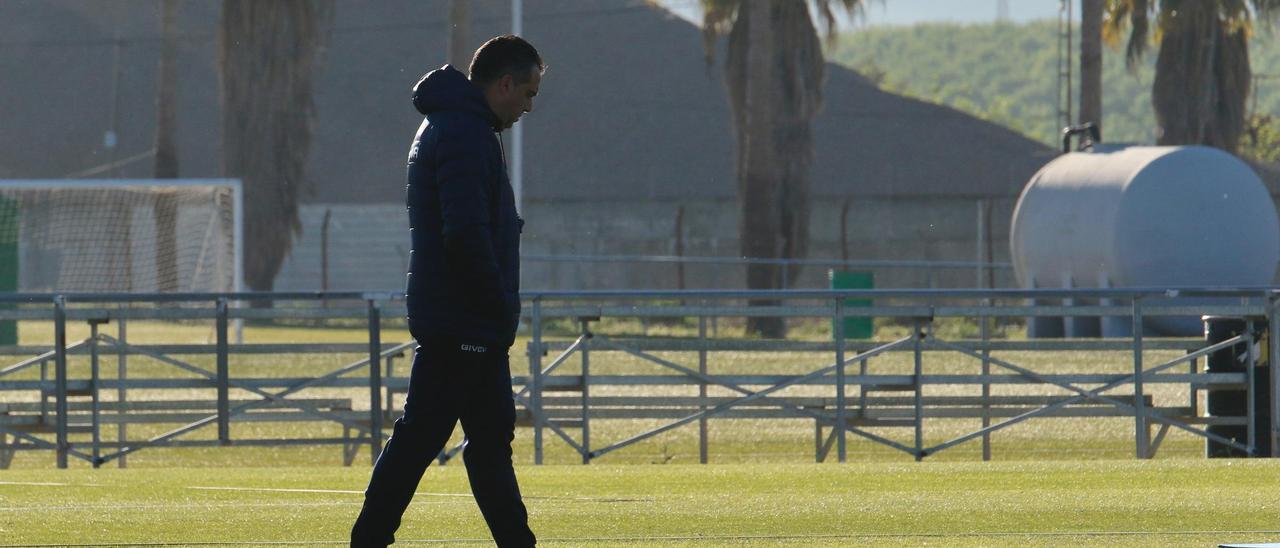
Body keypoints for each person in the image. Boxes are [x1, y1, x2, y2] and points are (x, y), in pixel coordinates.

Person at [351, 35, 542, 548]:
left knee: (482, 446)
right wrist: (498, 302)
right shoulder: (463, 133)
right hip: (465, 320)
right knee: (426, 439)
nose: (527, 106)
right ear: (504, 84)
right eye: (527, 92)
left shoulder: (459, 126)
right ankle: (367, 539)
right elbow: (465, 233)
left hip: (464, 318)